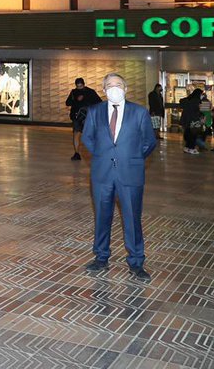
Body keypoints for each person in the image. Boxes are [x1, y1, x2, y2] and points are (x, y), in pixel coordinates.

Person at [81, 72, 156, 281]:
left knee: (132, 218)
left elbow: (149, 141)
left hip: (130, 173)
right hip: (102, 173)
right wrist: (103, 154)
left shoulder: (139, 112)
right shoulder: (95, 111)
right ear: (104, 90)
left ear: (126, 88)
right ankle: (101, 257)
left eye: (119, 84)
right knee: (102, 216)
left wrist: (132, 157)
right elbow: (87, 137)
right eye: (110, 85)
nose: (115, 88)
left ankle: (136, 261)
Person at [66, 78, 101, 160]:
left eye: (81, 86)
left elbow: (99, 102)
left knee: (91, 135)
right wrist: (76, 100)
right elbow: (67, 103)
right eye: (78, 86)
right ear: (75, 85)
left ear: (84, 84)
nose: (79, 88)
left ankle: (96, 153)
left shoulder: (90, 92)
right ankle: (76, 153)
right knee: (76, 133)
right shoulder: (73, 92)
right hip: (76, 116)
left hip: (88, 117)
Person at [178, 88, 203, 155]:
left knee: (189, 134)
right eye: (201, 94)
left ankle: (187, 148)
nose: (201, 96)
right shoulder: (197, 101)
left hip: (186, 120)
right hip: (193, 121)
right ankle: (192, 148)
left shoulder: (188, 99)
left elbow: (181, 101)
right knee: (193, 135)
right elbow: (197, 111)